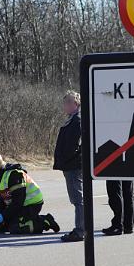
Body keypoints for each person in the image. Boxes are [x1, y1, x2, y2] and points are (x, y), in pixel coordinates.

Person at [0, 153, 59, 237]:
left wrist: (3, 215)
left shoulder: (14, 175)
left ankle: (45, 221)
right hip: (20, 205)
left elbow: (18, 201)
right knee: (5, 224)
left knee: (15, 227)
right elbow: (2, 199)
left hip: (31, 204)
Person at [54, 90, 84, 242]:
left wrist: (65, 159)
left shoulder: (77, 120)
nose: (64, 105)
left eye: (67, 102)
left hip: (74, 165)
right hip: (70, 164)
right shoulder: (72, 119)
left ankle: (80, 230)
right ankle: (81, 228)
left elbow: (74, 146)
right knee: (77, 199)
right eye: (64, 102)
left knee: (78, 200)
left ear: (76, 103)